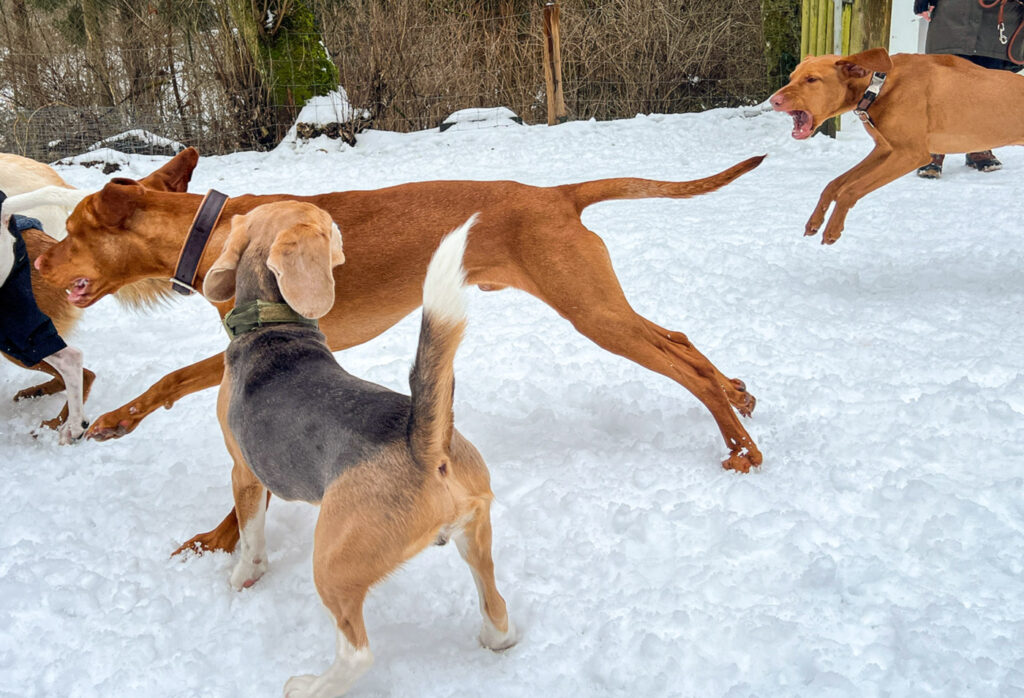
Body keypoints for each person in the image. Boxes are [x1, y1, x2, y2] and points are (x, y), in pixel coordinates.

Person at [0, 190, 89, 443]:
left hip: (24, 253)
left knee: (20, 340)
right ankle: (64, 379)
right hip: (21, 237)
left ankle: (74, 397)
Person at [914, 0, 1024, 177]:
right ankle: (933, 149)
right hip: (953, 12)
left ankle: (979, 146)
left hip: (1000, 15)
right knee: (941, 84)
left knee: (988, 86)